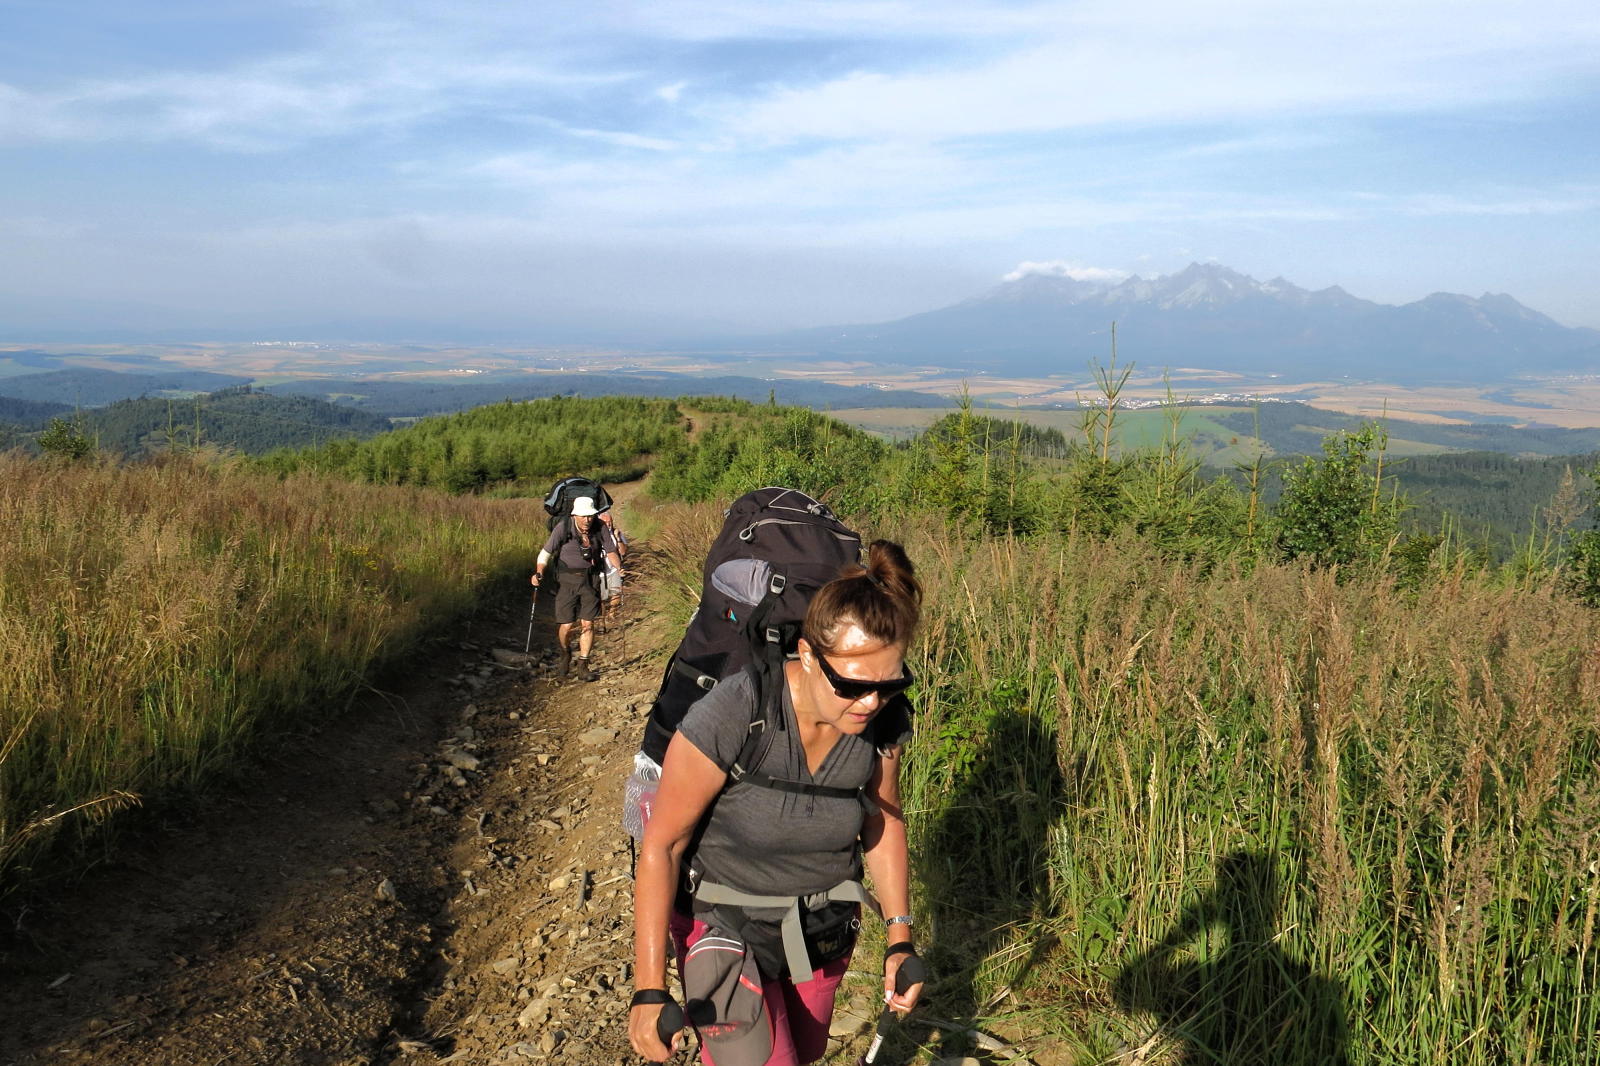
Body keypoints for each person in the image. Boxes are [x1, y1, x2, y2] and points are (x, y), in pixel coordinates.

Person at [629, 541, 925, 1066]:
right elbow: (664, 845)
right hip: (723, 927)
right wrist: (649, 988)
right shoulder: (735, 712)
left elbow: (883, 822)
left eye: (888, 684)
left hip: (822, 931)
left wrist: (899, 938)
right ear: (808, 655)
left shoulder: (880, 721)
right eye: (854, 686)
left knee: (804, 1054)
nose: (871, 702)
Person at [531, 496, 622, 682]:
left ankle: (583, 665)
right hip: (567, 580)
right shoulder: (563, 528)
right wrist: (539, 572)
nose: (587, 520)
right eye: (583, 516)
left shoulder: (600, 527)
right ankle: (565, 653)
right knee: (566, 625)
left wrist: (619, 568)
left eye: (590, 516)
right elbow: (546, 552)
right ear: (575, 515)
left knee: (588, 624)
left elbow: (611, 550)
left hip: (591, 579)